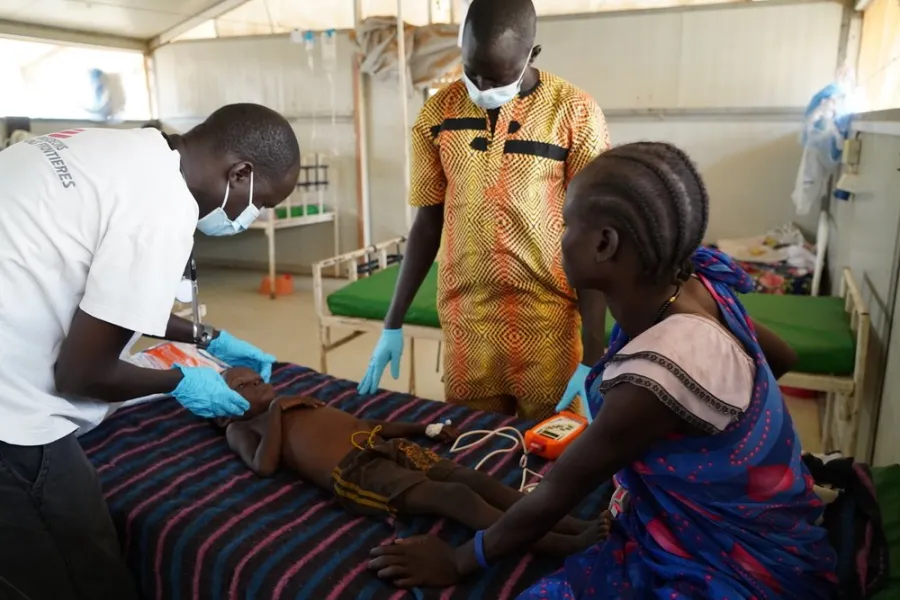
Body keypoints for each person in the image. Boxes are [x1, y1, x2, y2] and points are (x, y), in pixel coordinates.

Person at [368, 142, 838, 598]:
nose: (560, 235)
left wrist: (458, 561)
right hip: (768, 509)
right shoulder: (696, 285)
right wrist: (717, 442)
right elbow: (777, 359)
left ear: (604, 245)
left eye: (567, 223)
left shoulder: (661, 373)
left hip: (734, 555)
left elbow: (557, 493)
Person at [0, 103, 300, 599]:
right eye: (261, 204)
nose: (253, 217)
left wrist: (205, 338)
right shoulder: (161, 209)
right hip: (10, 412)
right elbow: (81, 374)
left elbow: (108, 296)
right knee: (84, 568)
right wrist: (182, 381)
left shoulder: (127, 150)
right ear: (240, 174)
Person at [358, 0, 610, 420]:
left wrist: (595, 353)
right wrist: (392, 322)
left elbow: (594, 234)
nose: (482, 86)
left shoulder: (575, 114)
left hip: (547, 322)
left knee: (549, 450)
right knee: (471, 441)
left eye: (497, 77)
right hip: (467, 320)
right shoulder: (438, 113)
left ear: (532, 54)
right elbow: (427, 220)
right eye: (472, 72)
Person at [220, 366, 608, 556]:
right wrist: (273, 413)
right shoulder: (244, 427)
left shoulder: (295, 403)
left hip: (381, 445)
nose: (258, 384)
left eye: (257, 378)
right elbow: (263, 466)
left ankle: (572, 522)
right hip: (356, 471)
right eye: (244, 386)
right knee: (454, 496)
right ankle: (558, 544)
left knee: (473, 480)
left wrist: (422, 429)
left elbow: (365, 423)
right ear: (224, 407)